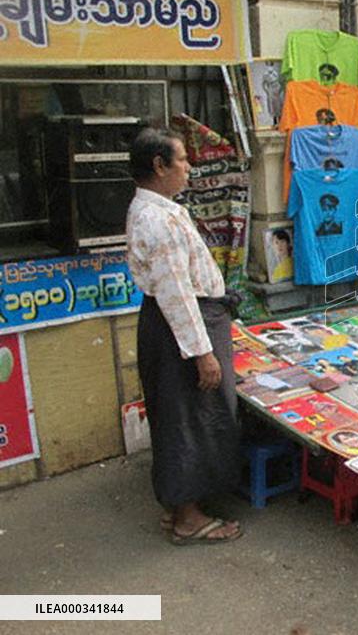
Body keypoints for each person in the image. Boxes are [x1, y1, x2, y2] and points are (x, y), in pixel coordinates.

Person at [126, 128, 242, 545]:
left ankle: (180, 505)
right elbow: (176, 292)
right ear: (159, 166)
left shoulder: (158, 209)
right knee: (188, 421)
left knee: (181, 416)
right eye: (181, 160)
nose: (189, 167)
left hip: (178, 322)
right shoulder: (156, 219)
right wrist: (202, 354)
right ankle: (188, 517)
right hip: (180, 328)